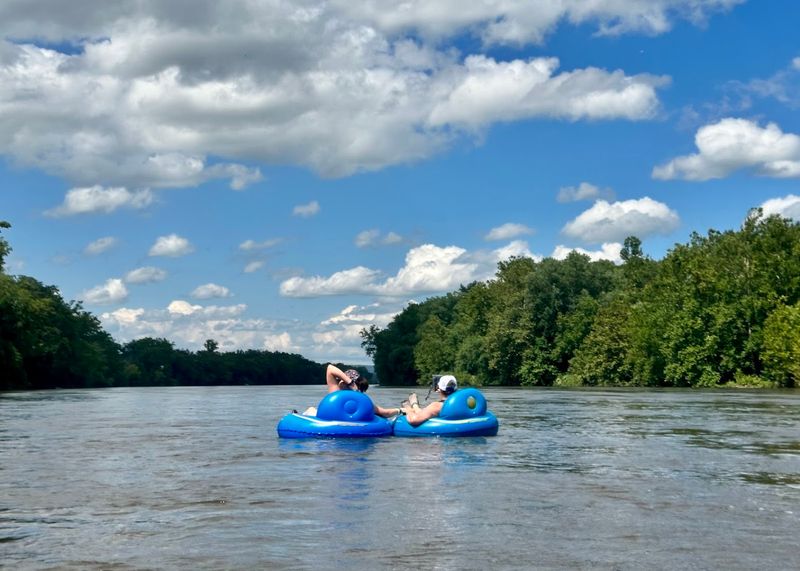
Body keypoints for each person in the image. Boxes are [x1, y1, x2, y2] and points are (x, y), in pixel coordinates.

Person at [303, 364, 402, 418]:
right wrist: (349, 382)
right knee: (311, 410)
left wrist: (400, 410)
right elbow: (330, 368)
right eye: (342, 380)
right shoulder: (336, 392)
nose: (341, 383)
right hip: (326, 417)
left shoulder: (359, 400)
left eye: (344, 382)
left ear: (354, 384)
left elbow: (384, 412)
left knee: (311, 409)